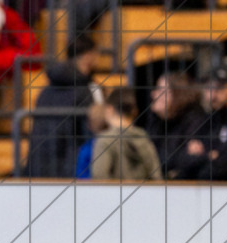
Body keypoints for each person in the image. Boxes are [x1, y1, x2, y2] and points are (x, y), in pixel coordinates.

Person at [25, 35, 100, 178]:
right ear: (89, 55)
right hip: (70, 171)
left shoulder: (45, 90)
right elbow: (91, 132)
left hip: (38, 168)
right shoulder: (86, 91)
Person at [143, 72, 207, 179]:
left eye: (160, 90)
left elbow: (185, 161)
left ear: (178, 94)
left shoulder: (196, 120)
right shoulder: (157, 120)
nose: (153, 94)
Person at [91, 86, 161, 181]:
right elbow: (156, 177)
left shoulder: (105, 140)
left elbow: (99, 177)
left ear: (109, 109)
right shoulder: (143, 137)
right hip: (143, 194)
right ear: (134, 111)